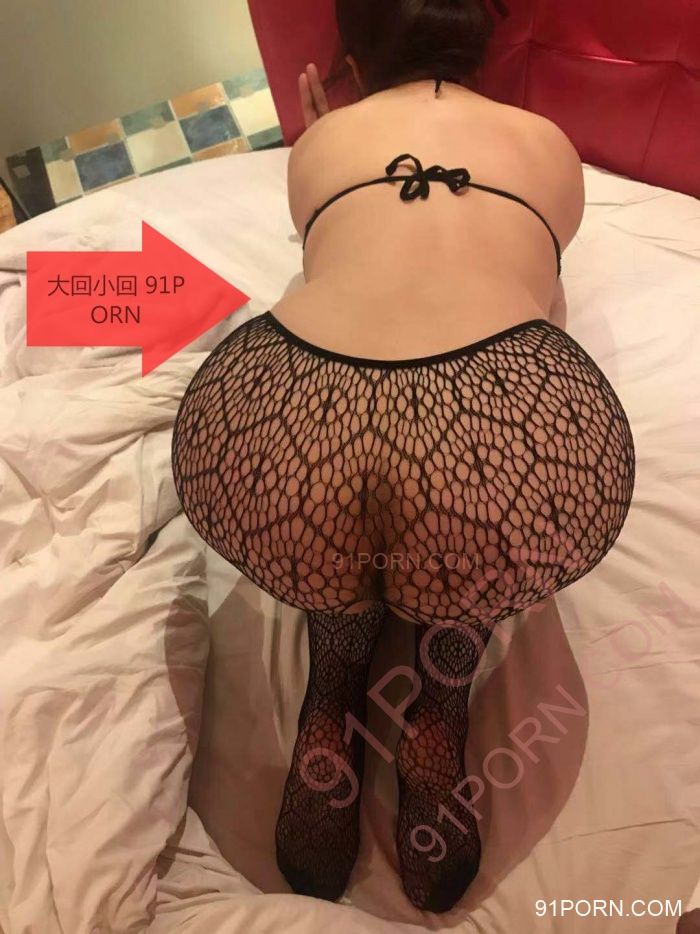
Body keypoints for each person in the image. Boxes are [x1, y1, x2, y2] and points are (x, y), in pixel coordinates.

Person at [171, 0, 636, 914]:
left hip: (288, 414)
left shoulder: (320, 143)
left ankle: (333, 683)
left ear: (348, 54)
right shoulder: (548, 145)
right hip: (485, 419)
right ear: (481, 41)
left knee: (334, 534)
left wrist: (326, 134)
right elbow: (543, 301)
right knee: (459, 551)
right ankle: (439, 705)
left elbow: (334, 261)